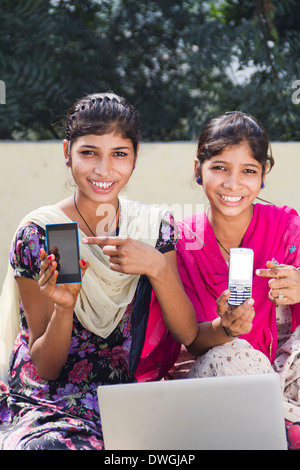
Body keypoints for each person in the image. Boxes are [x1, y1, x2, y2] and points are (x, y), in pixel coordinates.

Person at [0, 92, 196, 450]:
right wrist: (64, 306)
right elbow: (45, 367)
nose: (104, 170)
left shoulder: (152, 226)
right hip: (47, 402)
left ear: (135, 158)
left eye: (119, 154)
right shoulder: (40, 233)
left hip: (123, 396)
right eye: (89, 152)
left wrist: (157, 268)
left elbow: (187, 333)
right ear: (66, 152)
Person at [174, 111, 300, 449]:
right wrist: (224, 328)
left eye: (248, 171)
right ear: (198, 170)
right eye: (219, 168)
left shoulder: (286, 226)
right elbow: (191, 343)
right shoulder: (183, 241)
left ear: (263, 176)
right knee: (226, 357)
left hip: (291, 374)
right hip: (227, 376)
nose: (233, 184)